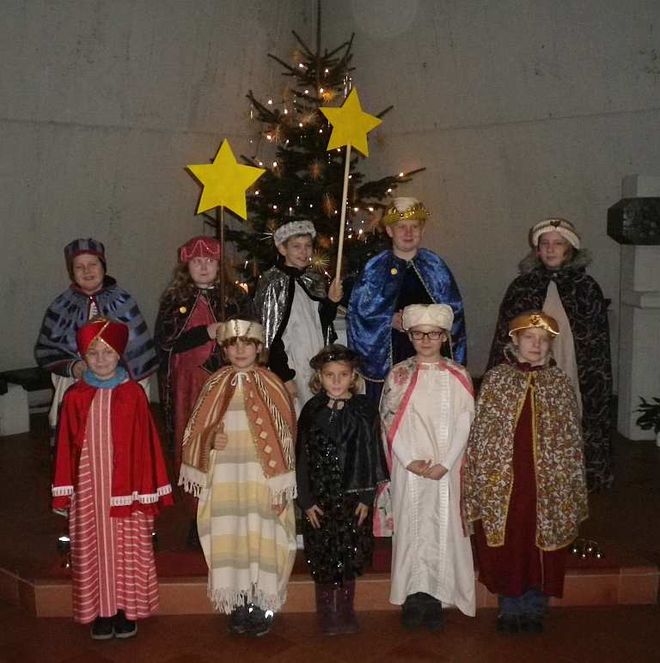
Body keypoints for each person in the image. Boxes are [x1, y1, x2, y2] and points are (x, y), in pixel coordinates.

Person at [465, 310, 588, 633]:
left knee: (540, 541)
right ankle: (510, 607)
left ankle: (535, 607)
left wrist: (565, 478)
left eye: (544, 340)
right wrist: (482, 476)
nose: (536, 345)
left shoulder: (559, 383)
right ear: (515, 340)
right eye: (530, 338)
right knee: (510, 540)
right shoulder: (497, 380)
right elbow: (482, 435)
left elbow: (570, 438)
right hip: (505, 481)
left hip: (547, 483)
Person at [51, 318, 173, 640]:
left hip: (126, 490)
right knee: (92, 547)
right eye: (93, 353)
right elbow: (65, 447)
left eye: (107, 352)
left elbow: (147, 443)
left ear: (119, 355)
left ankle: (124, 608)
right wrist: (66, 491)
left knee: (126, 547)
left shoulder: (133, 394)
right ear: (84, 358)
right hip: (89, 490)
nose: (101, 359)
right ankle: (100, 611)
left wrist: (148, 489)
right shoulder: (76, 396)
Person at [179, 319, 297, 637]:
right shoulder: (214, 385)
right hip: (227, 481)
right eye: (233, 344)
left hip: (262, 482)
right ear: (225, 349)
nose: (241, 349)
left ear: (259, 348)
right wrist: (209, 440)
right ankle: (238, 599)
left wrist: (281, 485)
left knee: (264, 536)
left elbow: (286, 434)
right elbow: (195, 432)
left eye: (248, 343)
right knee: (230, 535)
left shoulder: (272, 384)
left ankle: (263, 601)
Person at [487, 218, 612, 490]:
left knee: (569, 414)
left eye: (558, 244)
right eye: (545, 244)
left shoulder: (586, 288)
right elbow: (505, 335)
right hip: (531, 365)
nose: (551, 249)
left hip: (572, 364)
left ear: (570, 249)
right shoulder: (523, 286)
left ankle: (569, 476)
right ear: (537, 250)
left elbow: (596, 344)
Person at [380, 304, 475, 629]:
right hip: (411, 470)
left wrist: (446, 463)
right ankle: (414, 594)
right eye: (418, 334)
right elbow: (388, 422)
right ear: (410, 336)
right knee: (413, 527)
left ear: (444, 336)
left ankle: (438, 594)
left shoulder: (458, 375)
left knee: (443, 527)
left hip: (446, 469)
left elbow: (465, 422)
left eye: (433, 334)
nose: (425, 340)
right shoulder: (400, 374)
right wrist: (409, 460)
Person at [154, 236, 251, 546]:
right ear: (187, 266)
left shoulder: (233, 298)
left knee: (228, 443)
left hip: (227, 383)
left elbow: (249, 339)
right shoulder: (174, 300)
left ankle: (230, 512)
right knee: (195, 445)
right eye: (197, 261)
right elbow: (167, 343)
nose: (204, 266)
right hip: (190, 388)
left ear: (219, 265)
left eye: (209, 261)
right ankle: (199, 516)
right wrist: (205, 332)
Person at [296, 344, 388, 635]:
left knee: (348, 552)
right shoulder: (311, 410)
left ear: (353, 377)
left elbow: (372, 453)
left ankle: (346, 610)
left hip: (351, 498)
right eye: (329, 375)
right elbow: (301, 457)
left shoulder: (363, 410)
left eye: (343, 375)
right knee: (323, 554)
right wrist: (307, 500)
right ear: (319, 378)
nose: (336, 381)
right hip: (321, 498)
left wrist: (365, 497)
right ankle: (327, 611)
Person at [36, 238, 157, 442]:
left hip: (119, 390)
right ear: (71, 271)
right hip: (77, 390)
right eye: (79, 266)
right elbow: (48, 350)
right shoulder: (61, 306)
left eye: (93, 264)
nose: (87, 271)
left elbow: (138, 353)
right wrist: (74, 367)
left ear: (103, 266)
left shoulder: (123, 302)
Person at [347, 197, 466, 403]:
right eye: (401, 227)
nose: (408, 233)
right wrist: (389, 320)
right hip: (392, 350)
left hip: (431, 351)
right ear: (390, 231)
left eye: (414, 227)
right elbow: (360, 314)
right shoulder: (375, 268)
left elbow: (453, 311)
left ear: (423, 231)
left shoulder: (435, 265)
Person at [253, 220, 342, 414]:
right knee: (295, 414)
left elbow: (323, 322)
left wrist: (332, 302)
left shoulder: (313, 279)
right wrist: (284, 376)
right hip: (291, 362)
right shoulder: (272, 282)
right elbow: (270, 334)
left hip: (317, 358)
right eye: (296, 247)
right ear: (282, 249)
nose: (303, 252)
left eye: (307, 246)